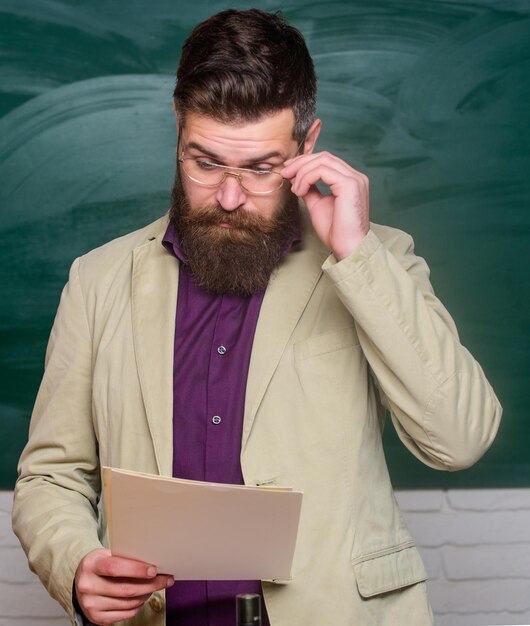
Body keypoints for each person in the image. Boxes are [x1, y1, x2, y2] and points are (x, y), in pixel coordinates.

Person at [12, 8, 502, 626]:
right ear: (177, 128)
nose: (229, 195)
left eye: (261, 169)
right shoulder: (98, 280)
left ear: (308, 144)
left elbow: (460, 439)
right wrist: (75, 562)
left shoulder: (378, 261)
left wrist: (357, 254)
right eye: (205, 162)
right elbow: (51, 475)